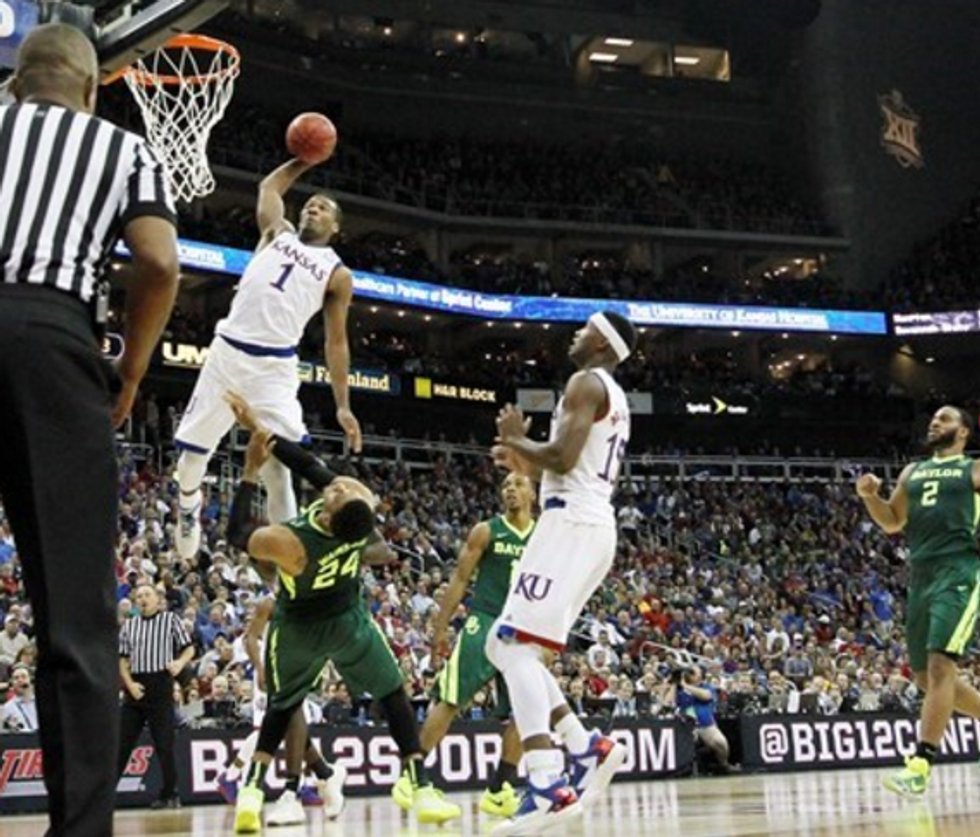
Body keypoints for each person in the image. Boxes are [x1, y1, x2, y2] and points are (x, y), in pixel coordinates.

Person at [0, 23, 179, 837]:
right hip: (54, 342)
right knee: (75, 616)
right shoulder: (121, 147)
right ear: (93, 85)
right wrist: (133, 370)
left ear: (14, 84)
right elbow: (160, 261)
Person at [224, 414, 461, 832]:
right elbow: (312, 468)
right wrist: (266, 433)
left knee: (281, 706)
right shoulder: (356, 518)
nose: (334, 485)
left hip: (299, 626)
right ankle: (420, 784)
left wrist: (249, 471)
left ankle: (253, 790)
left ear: (330, 515)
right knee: (392, 693)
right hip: (348, 621)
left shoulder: (290, 542)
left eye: (336, 491)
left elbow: (237, 531)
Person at [486, 310, 637, 835]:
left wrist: (514, 441)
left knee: (509, 647)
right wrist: (522, 464)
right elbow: (569, 462)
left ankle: (549, 782)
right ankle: (585, 746)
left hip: (571, 523)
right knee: (505, 646)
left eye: (584, 328)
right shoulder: (611, 395)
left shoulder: (585, 381)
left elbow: (565, 457)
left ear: (601, 342)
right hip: (588, 526)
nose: (575, 333)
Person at [173, 158, 362, 561]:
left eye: (323, 208)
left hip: (273, 368)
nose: (312, 208)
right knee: (191, 462)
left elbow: (336, 343)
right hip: (226, 354)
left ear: (336, 228)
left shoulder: (338, 274)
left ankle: (286, 564)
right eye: (310, 203)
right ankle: (188, 507)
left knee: (279, 469)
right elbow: (269, 190)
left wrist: (343, 405)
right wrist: (303, 161)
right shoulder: (278, 232)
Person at [391, 472, 535, 819]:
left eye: (518, 484)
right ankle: (412, 778)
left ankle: (500, 789)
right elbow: (458, 580)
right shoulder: (487, 530)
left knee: (528, 711)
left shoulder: (543, 535)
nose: (510, 490)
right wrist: (440, 629)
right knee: (451, 698)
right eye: (505, 485)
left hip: (522, 629)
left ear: (533, 491)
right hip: (484, 621)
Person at [857, 405, 980, 796]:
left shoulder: (974, 469)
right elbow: (893, 521)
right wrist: (869, 496)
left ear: (963, 433)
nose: (934, 422)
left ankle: (920, 764)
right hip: (921, 574)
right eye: (933, 418)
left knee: (943, 664)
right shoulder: (912, 471)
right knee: (928, 679)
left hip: (959, 570)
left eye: (944, 419)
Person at [216, 594, 344, 822]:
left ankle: (312, 780)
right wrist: (259, 667)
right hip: (269, 671)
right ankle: (239, 777)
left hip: (296, 670)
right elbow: (250, 638)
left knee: (290, 726)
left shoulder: (311, 600)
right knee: (269, 728)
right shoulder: (271, 602)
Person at [117, 583, 195, 808]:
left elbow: (188, 648)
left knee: (164, 744)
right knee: (122, 744)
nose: (142, 599)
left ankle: (170, 793)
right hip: (136, 688)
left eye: (147, 595)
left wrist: (179, 663)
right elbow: (122, 660)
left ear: (156, 599)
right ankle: (102, 797)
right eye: (139, 596)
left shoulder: (170, 620)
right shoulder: (129, 626)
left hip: (160, 684)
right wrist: (130, 684)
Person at [1, 664, 39, 733]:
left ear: (31, 680)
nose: (20, 680)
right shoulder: (7, 708)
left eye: (24, 677)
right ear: (12, 683)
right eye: (16, 678)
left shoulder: (43, 702)